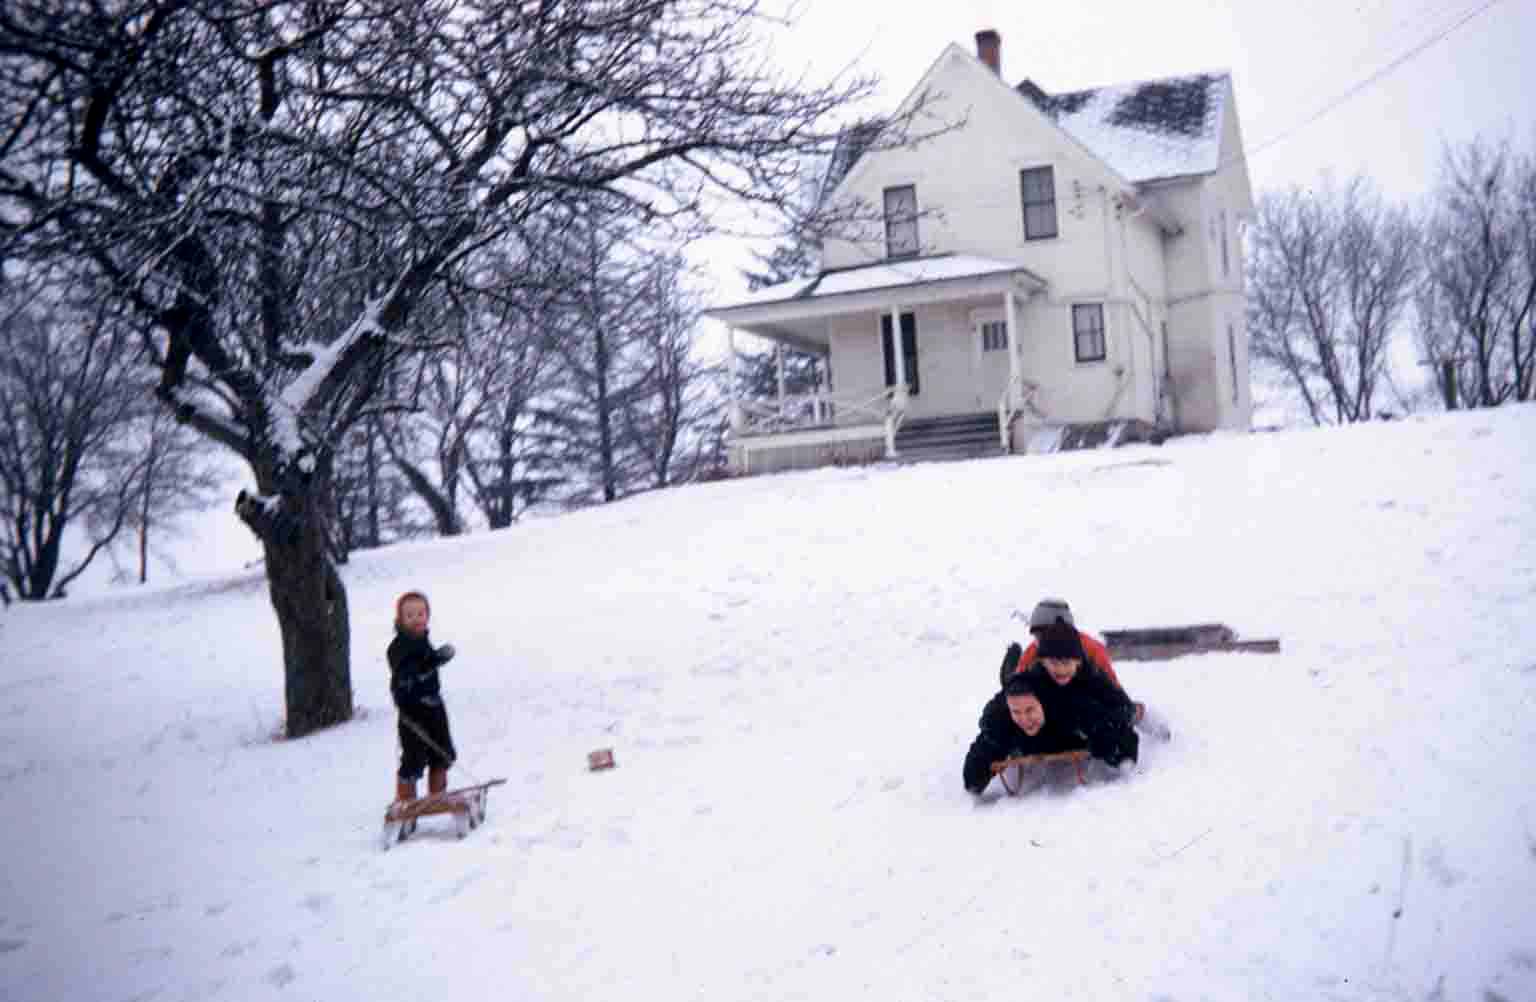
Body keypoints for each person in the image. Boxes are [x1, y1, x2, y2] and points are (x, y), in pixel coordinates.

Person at [1022, 620, 1139, 768]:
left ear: (1078, 662)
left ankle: (1123, 757)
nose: (1060, 669)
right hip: (1049, 735)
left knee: (1092, 709)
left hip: (1087, 732)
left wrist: (1104, 727)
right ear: (1043, 662)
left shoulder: (1092, 677)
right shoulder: (1033, 680)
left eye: (1066, 663)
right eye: (1053, 663)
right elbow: (1002, 711)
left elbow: (1123, 707)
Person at [963, 670, 1086, 795]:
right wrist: (980, 771)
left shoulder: (1067, 713)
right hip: (1020, 680)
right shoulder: (1002, 723)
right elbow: (972, 779)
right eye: (1016, 712)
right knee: (1012, 675)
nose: (1024, 719)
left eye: (1030, 710)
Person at [387, 590, 458, 805]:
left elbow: (426, 665)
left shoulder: (424, 642)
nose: (416, 619)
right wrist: (432, 662)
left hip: (434, 707)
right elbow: (409, 672)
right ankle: (406, 800)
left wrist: (437, 658)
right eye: (409, 615)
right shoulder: (398, 647)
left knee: (442, 751)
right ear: (400, 619)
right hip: (413, 711)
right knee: (414, 756)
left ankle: (437, 796)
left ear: (427, 615)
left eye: (420, 613)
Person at [999, 596, 1120, 689]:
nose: (1039, 641)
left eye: (1043, 635)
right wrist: (1011, 683)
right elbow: (1018, 687)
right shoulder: (1033, 650)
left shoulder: (1091, 649)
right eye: (1036, 635)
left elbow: (1113, 690)